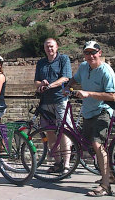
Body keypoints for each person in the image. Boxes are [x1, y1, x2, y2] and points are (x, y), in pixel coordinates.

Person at [64, 41, 115, 197]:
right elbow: (75, 78)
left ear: (99, 53)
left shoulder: (106, 71)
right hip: (88, 112)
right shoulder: (84, 67)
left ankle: (105, 186)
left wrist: (88, 93)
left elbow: (112, 96)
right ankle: (111, 175)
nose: (90, 56)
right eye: (87, 53)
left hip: (103, 111)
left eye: (93, 52)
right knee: (87, 144)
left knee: (97, 143)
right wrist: (67, 87)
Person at [34, 38, 72, 173]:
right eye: (47, 47)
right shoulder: (41, 63)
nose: (49, 49)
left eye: (51, 46)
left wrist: (50, 85)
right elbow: (36, 82)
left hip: (60, 100)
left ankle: (66, 164)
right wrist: (41, 84)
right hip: (45, 102)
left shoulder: (63, 59)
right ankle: (57, 163)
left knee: (63, 131)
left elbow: (66, 77)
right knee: (50, 132)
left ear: (57, 47)